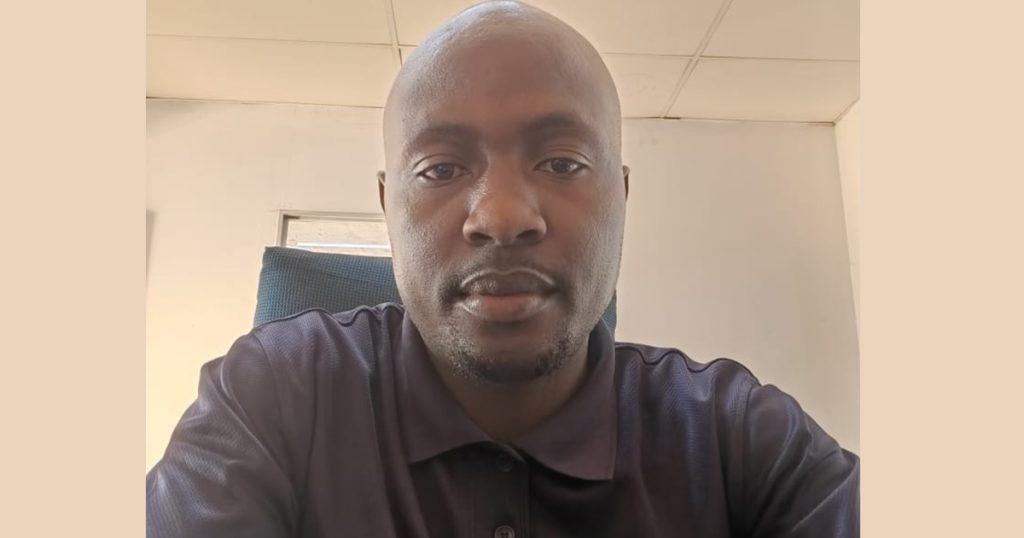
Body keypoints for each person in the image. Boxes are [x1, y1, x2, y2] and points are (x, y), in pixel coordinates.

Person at [146, 1, 859, 536]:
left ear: (621, 197)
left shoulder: (733, 436)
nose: (503, 215)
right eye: (441, 168)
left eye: (562, 163)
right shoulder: (273, 396)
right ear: (390, 210)